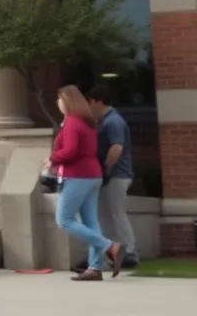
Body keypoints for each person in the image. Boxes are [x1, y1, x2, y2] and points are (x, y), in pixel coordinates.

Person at [50, 85, 124, 280]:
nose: (57, 103)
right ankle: (94, 268)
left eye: (59, 99)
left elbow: (71, 151)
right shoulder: (87, 122)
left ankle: (110, 247)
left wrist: (52, 158)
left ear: (67, 101)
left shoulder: (73, 122)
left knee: (64, 220)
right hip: (92, 175)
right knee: (91, 222)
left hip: (77, 175)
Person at [86, 84, 139, 271]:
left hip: (116, 175)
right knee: (106, 216)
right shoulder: (106, 121)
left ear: (97, 101)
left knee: (115, 214)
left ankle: (130, 252)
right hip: (113, 175)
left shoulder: (113, 121)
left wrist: (106, 169)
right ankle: (111, 253)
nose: (89, 107)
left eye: (89, 102)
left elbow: (116, 147)